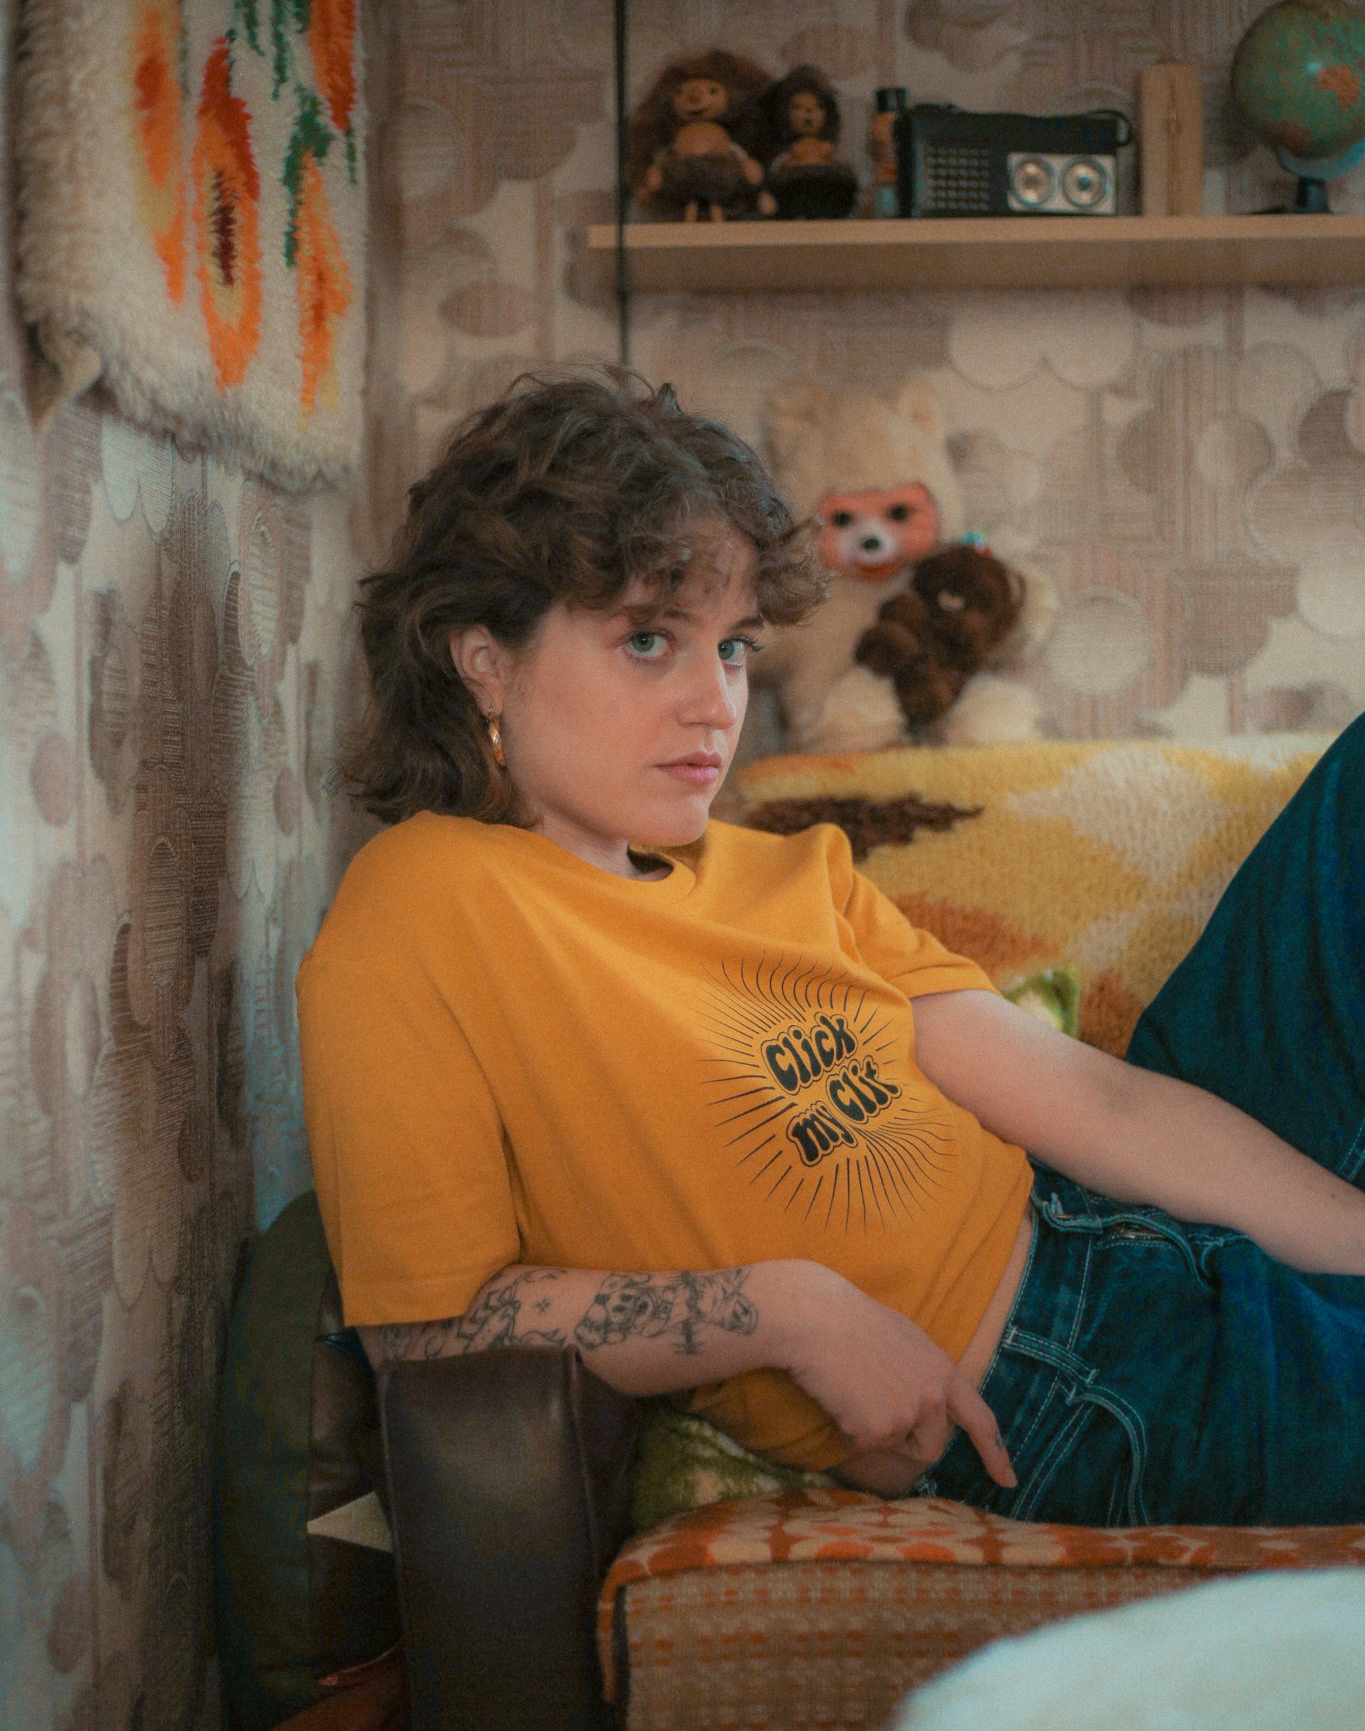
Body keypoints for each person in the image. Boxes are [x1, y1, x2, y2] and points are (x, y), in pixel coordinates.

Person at [297, 373, 1365, 1530]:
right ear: (484, 660)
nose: (716, 703)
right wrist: (786, 1308)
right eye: (649, 640)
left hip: (1115, 1217)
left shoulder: (788, 869)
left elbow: (1099, 1104)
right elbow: (424, 1330)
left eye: (733, 647)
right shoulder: (419, 906)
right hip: (1073, 1381)